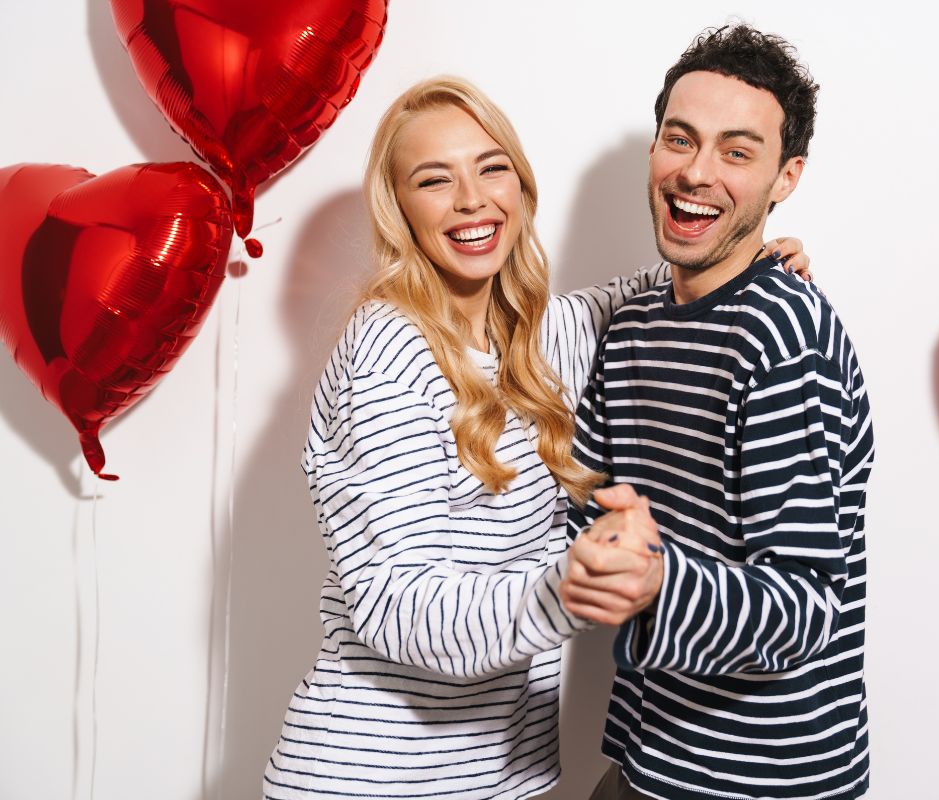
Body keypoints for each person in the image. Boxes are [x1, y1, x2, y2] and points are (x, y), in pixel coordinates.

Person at [261, 75, 811, 800]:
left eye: (492, 168)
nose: (471, 200)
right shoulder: (387, 358)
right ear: (399, 210)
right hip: (376, 778)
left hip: (500, 777)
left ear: (519, 185)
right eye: (434, 180)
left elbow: (662, 286)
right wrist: (564, 592)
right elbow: (393, 604)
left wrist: (757, 259)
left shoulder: (545, 334)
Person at [562, 24, 875, 800]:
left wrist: (655, 585)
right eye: (680, 139)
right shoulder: (636, 320)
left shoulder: (783, 337)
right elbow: (586, 499)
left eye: (737, 152)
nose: (696, 173)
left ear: (785, 177)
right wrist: (600, 545)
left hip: (763, 776)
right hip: (652, 749)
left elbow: (805, 606)